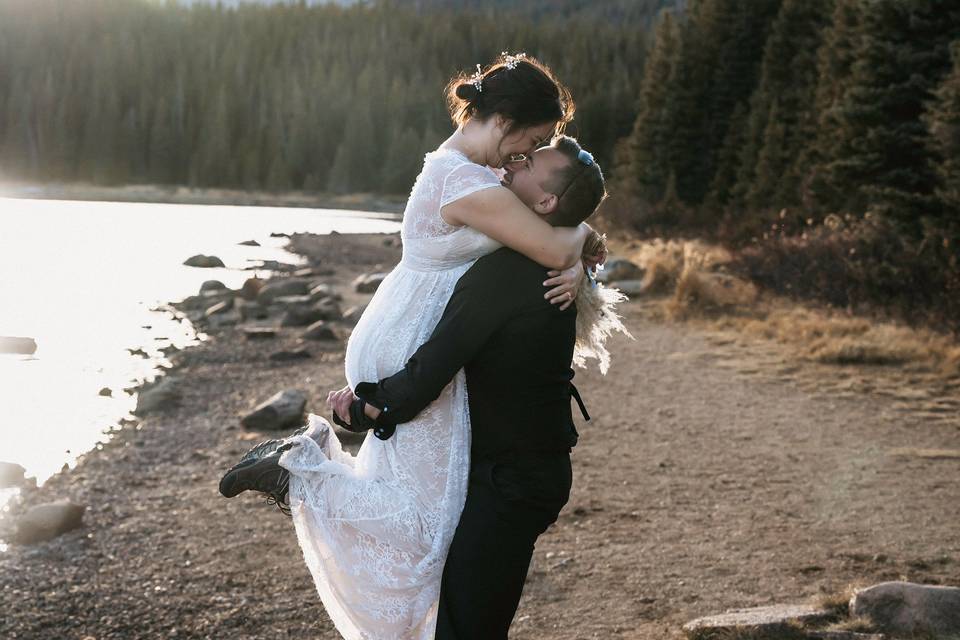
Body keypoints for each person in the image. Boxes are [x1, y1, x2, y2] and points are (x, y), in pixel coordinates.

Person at [219, 53, 600, 640]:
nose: (526, 155)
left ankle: (309, 472)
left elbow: (556, 229)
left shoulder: (467, 172)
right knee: (426, 525)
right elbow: (554, 241)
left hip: (412, 332)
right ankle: (301, 472)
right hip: (417, 344)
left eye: (539, 148)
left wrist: (579, 251)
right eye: (532, 140)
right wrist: (577, 248)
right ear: (503, 119)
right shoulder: (467, 179)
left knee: (427, 516)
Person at [331, 134, 612, 640]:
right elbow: (569, 234)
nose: (513, 165)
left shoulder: (510, 271)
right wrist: (578, 245)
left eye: (528, 163)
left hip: (516, 479)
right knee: (466, 619)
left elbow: (439, 360)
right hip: (517, 468)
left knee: (467, 629)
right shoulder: (534, 256)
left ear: (545, 202)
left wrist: (368, 408)